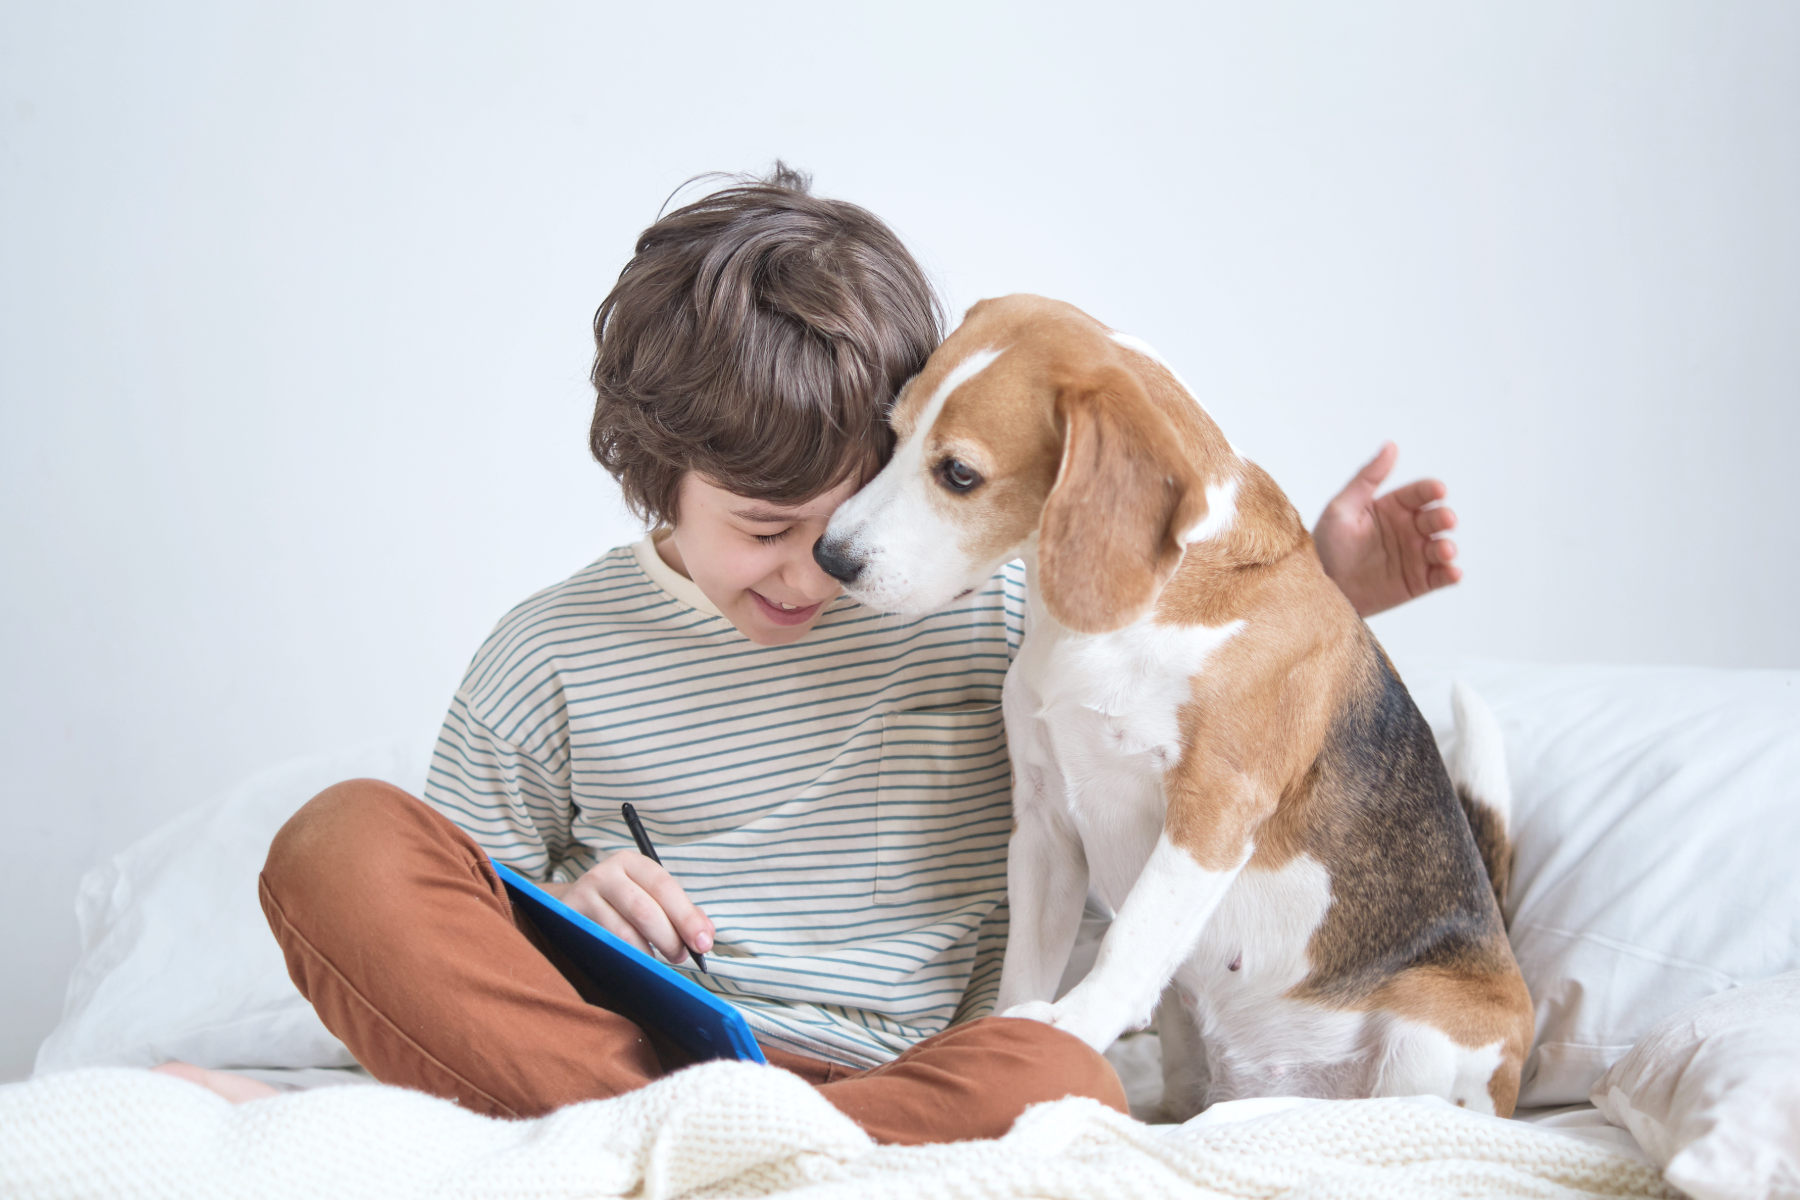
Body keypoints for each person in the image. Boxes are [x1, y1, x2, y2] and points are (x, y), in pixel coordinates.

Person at [167, 167, 1462, 1142]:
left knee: (1060, 1070)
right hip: (635, 1041)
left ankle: (649, 1150)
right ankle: (749, 1151)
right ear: (650, 484)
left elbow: (1185, 690)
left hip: (921, 1078)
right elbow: (472, 908)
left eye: (858, 509)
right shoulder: (547, 655)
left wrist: (1329, 585)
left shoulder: (994, 608)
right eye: (764, 530)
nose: (820, 565)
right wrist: (571, 892)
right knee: (343, 840)